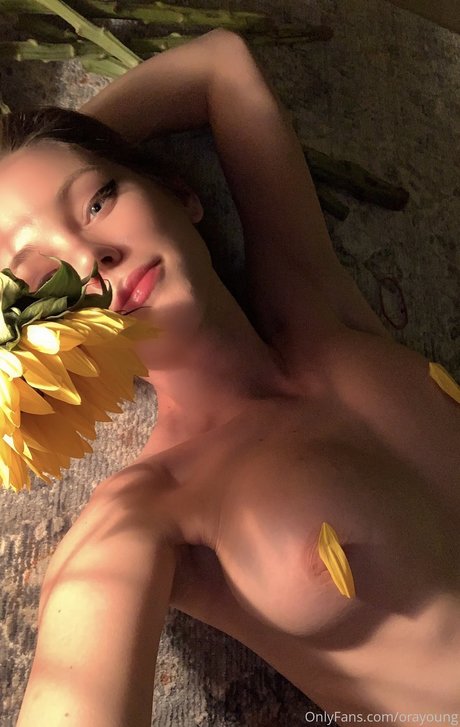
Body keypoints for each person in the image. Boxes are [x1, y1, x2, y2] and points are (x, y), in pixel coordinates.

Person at [2, 27, 458, 727]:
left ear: (178, 192)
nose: (90, 259)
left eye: (97, 200)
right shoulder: (149, 509)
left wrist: (45, 140)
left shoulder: (313, 305)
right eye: (39, 277)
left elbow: (218, 64)